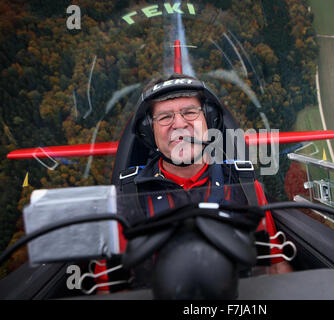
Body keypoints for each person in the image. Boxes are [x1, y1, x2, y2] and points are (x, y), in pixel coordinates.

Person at [95, 73, 292, 293]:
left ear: (209, 120)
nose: (179, 124)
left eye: (190, 112)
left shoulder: (245, 185)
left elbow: (275, 269)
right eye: (164, 117)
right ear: (149, 132)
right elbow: (110, 290)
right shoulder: (124, 198)